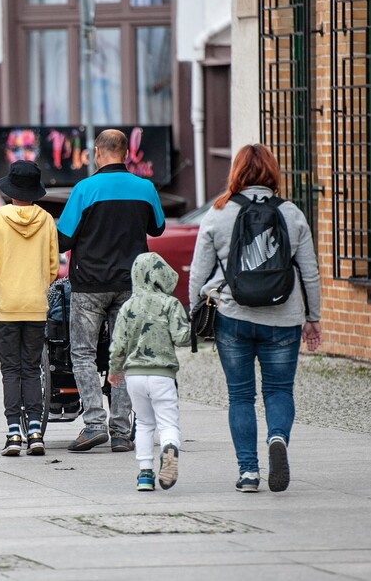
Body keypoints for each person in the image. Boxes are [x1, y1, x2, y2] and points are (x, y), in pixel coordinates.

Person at [188, 143, 322, 493]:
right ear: (272, 173)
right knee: (279, 390)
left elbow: (198, 272)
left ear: (237, 172)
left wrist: (194, 311)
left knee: (240, 396)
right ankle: (277, 437)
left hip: (234, 315)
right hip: (284, 315)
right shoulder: (291, 213)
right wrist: (313, 317)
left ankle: (249, 472)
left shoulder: (218, 212)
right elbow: (309, 272)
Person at [56, 129, 165, 453]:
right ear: (125, 154)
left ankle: (93, 425)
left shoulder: (84, 189)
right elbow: (157, 227)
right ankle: (120, 430)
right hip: (131, 286)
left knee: (83, 354)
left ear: (98, 153)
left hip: (89, 285)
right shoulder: (145, 188)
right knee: (125, 355)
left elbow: (64, 240)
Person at [0, 160, 59, 456]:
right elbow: (52, 266)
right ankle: (35, 430)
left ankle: (13, 433)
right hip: (36, 305)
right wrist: (38, 285)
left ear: (10, 190)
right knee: (32, 369)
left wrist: (0, 283)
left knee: (10, 370)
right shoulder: (46, 220)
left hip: (8, 305)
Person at [108, 252, 190, 491]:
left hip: (134, 375)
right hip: (162, 375)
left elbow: (119, 343)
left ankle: (145, 474)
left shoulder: (128, 306)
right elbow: (182, 338)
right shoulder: (170, 304)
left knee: (143, 423)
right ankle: (169, 447)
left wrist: (114, 370)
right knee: (168, 422)